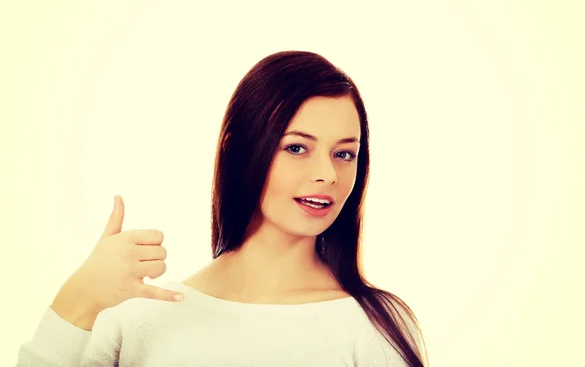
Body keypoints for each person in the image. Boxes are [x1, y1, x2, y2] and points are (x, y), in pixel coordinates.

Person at [16, 50, 429, 366]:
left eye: (345, 154)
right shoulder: (139, 317)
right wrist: (78, 300)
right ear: (240, 149)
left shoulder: (376, 326)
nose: (328, 174)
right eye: (297, 147)